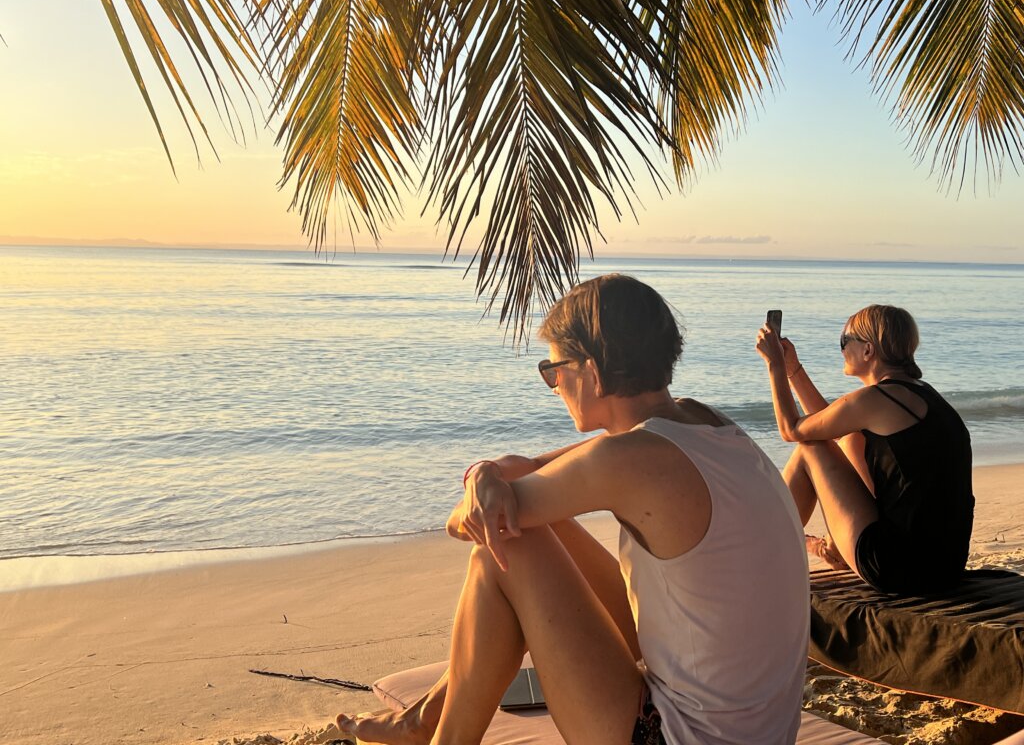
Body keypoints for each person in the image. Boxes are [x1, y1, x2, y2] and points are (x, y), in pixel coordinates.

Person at [336, 274, 809, 745]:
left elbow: (467, 523)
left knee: (502, 549)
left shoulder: (628, 460)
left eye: (553, 370)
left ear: (593, 373)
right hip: (754, 730)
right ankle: (421, 721)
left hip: (679, 738)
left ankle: (442, 737)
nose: (554, 384)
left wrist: (483, 486)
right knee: (537, 522)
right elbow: (531, 470)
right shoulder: (700, 422)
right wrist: (483, 471)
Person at [755, 304, 974, 595]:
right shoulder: (919, 394)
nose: (842, 349)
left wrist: (775, 367)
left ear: (868, 350)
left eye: (845, 341)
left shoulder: (875, 399)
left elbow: (791, 429)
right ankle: (819, 545)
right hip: (943, 566)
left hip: (897, 566)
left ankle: (759, 554)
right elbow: (832, 426)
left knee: (809, 448)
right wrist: (793, 369)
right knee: (850, 441)